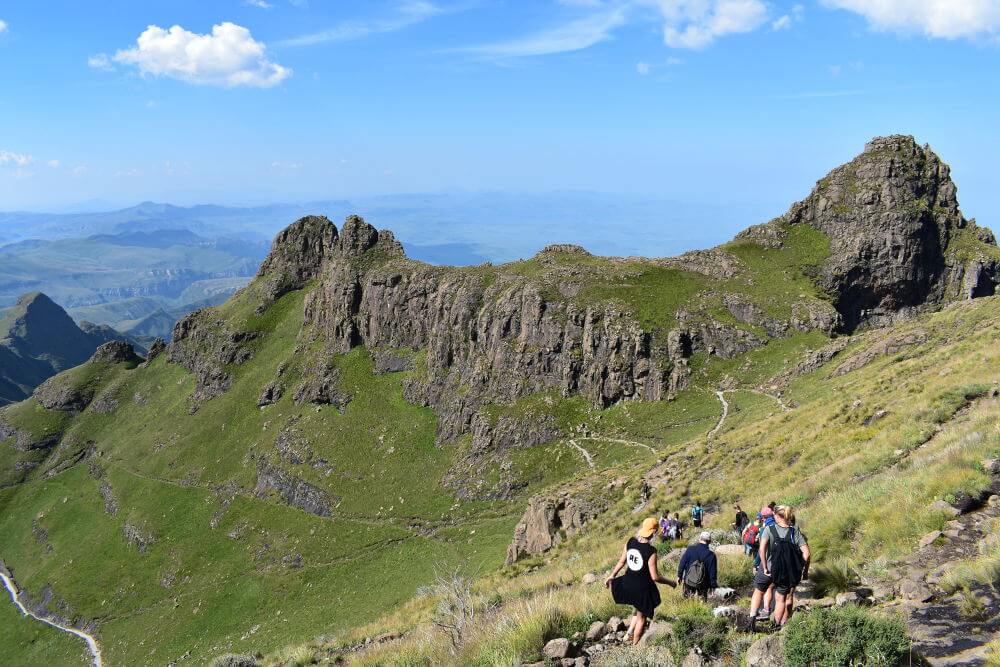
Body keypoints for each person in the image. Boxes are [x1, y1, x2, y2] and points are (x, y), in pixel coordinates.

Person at [606, 517, 678, 644]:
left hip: (627, 583)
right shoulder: (651, 551)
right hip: (641, 589)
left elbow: (622, 561)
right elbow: (655, 577)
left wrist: (612, 575)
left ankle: (629, 634)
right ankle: (635, 646)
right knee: (642, 618)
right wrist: (671, 582)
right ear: (654, 532)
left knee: (637, 608)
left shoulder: (630, 542)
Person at [749, 505, 810, 631]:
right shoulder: (794, 532)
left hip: (769, 568)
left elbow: (762, 549)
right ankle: (775, 627)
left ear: (777, 516)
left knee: (759, 591)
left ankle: (751, 621)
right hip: (785, 572)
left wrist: (765, 567)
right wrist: (801, 568)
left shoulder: (769, 529)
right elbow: (807, 554)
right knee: (781, 599)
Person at [678, 531, 718, 600]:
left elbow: (682, 563)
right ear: (709, 542)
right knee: (702, 602)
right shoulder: (711, 555)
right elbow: (713, 573)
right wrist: (713, 586)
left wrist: (679, 575)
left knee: (686, 601)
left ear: (699, 539)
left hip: (689, 580)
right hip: (703, 583)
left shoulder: (690, 549)